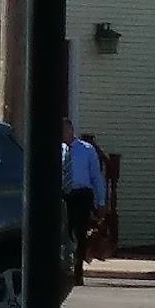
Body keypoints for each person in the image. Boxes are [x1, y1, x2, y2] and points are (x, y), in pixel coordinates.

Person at [61, 117, 108, 284]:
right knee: (63, 233)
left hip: (82, 195)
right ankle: (64, 269)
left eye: (65, 130)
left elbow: (96, 177)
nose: (63, 133)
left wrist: (101, 202)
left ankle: (78, 272)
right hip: (63, 195)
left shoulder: (86, 150)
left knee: (80, 233)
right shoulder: (58, 150)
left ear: (71, 130)